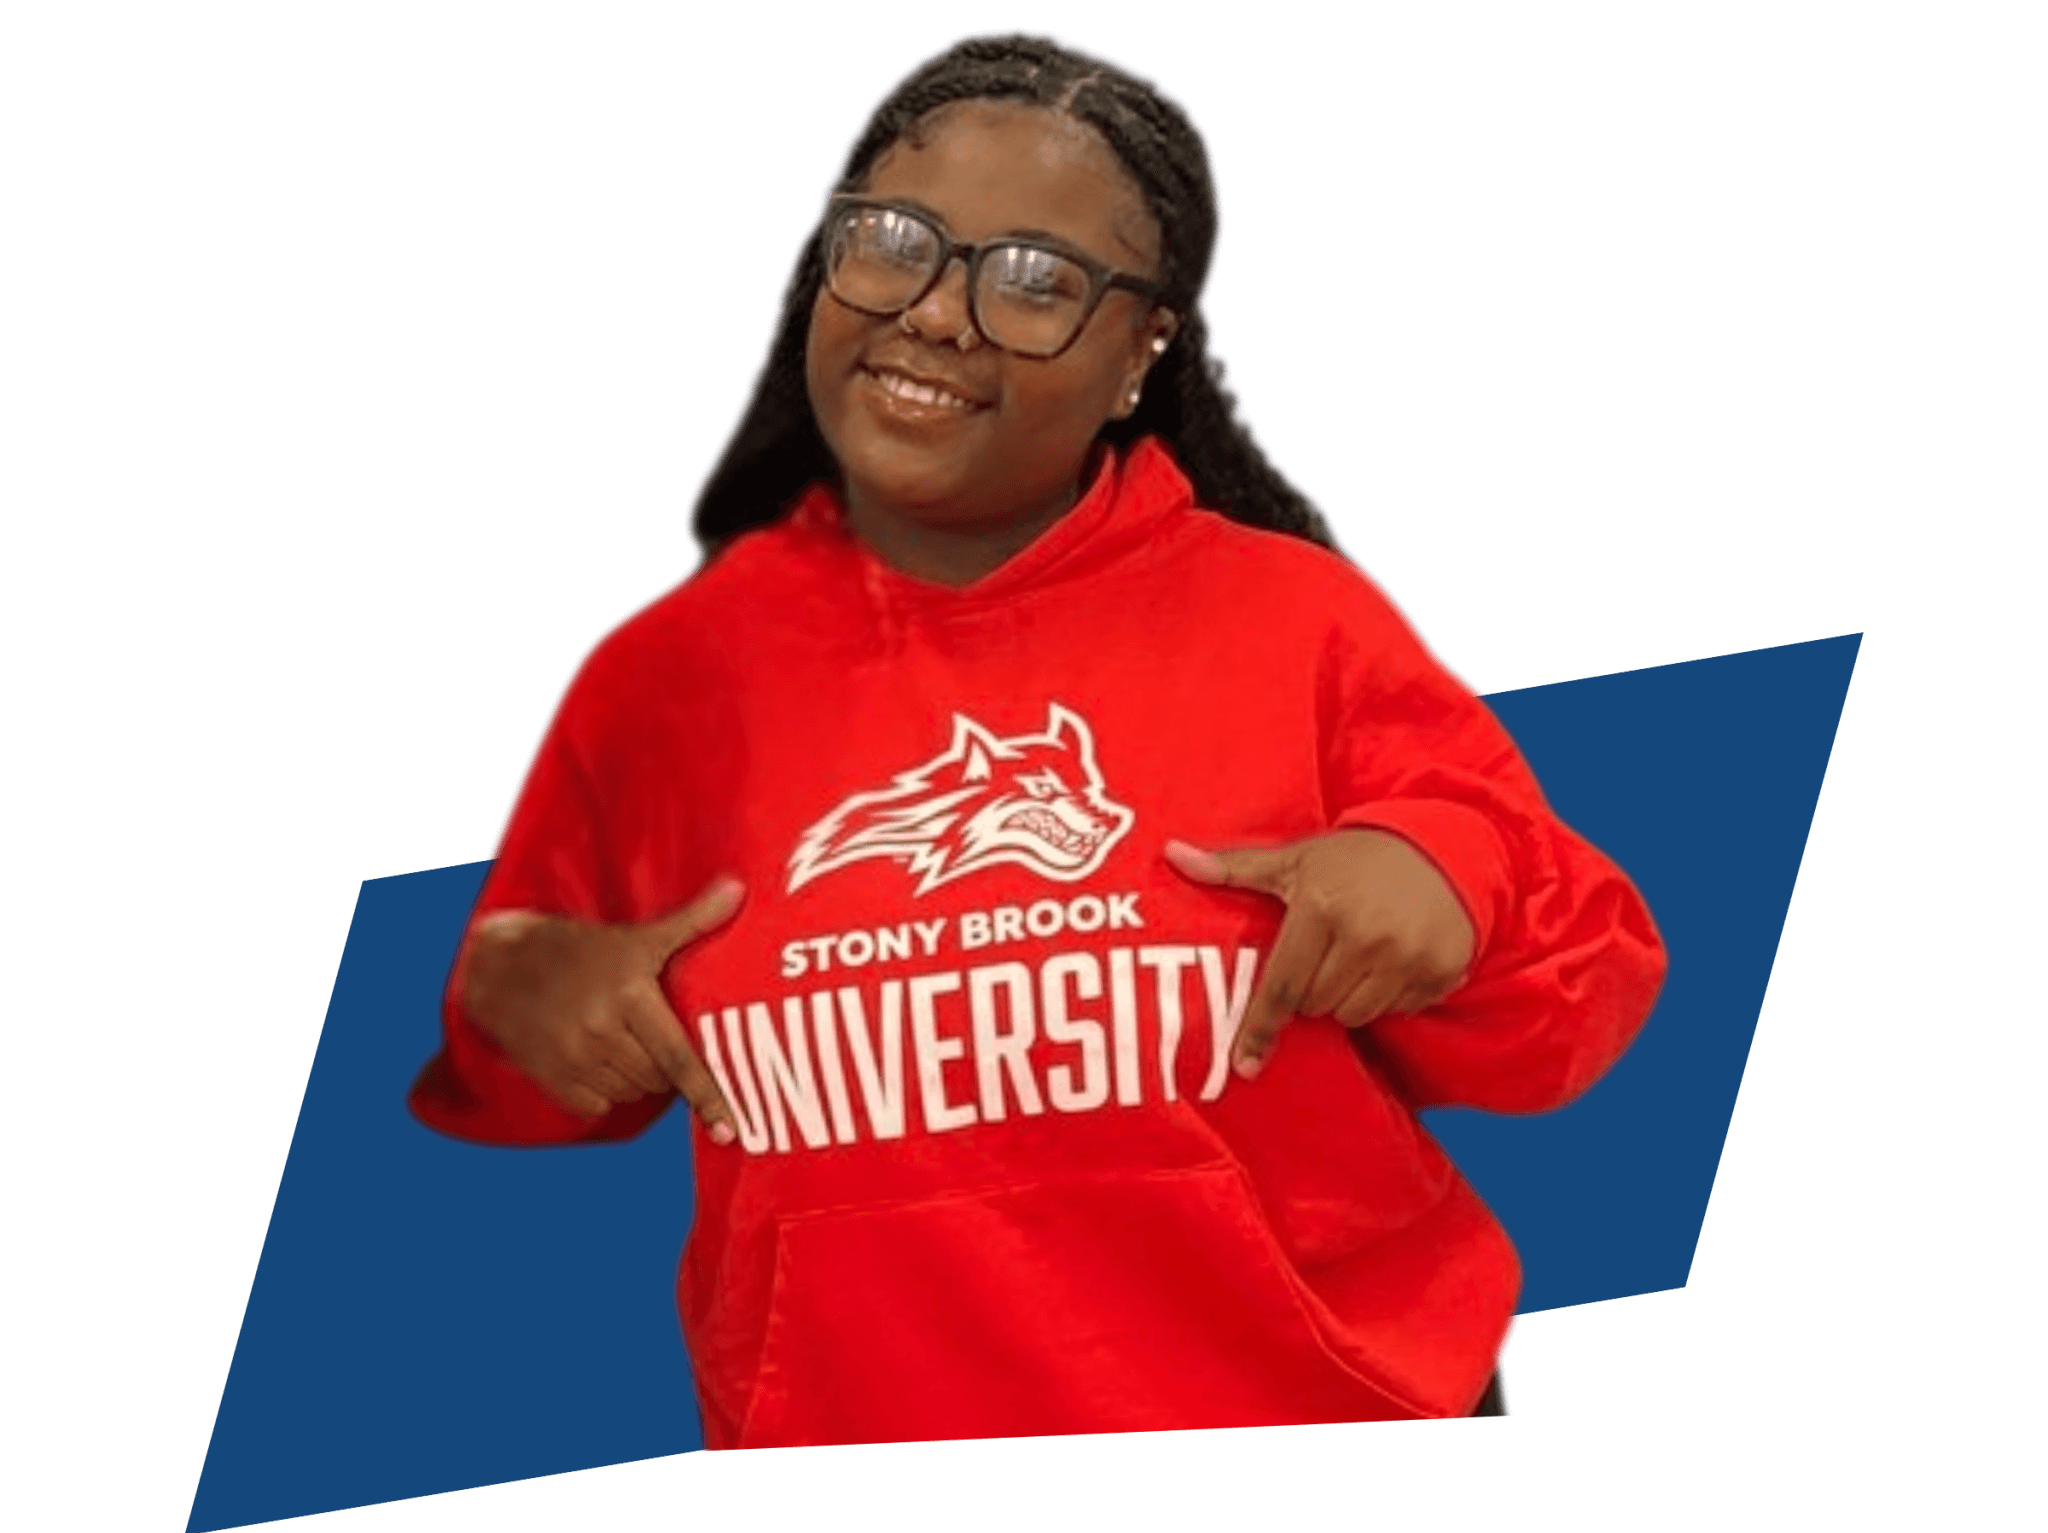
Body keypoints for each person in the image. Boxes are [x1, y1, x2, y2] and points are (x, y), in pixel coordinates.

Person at [409, 31, 1663, 1446]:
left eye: (1037, 284)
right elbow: (509, 1068)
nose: (938, 315)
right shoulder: (661, 678)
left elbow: (1577, 1004)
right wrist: (531, 995)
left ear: (1144, 348)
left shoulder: (1296, 620)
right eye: (893, 242)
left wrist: (1447, 875)